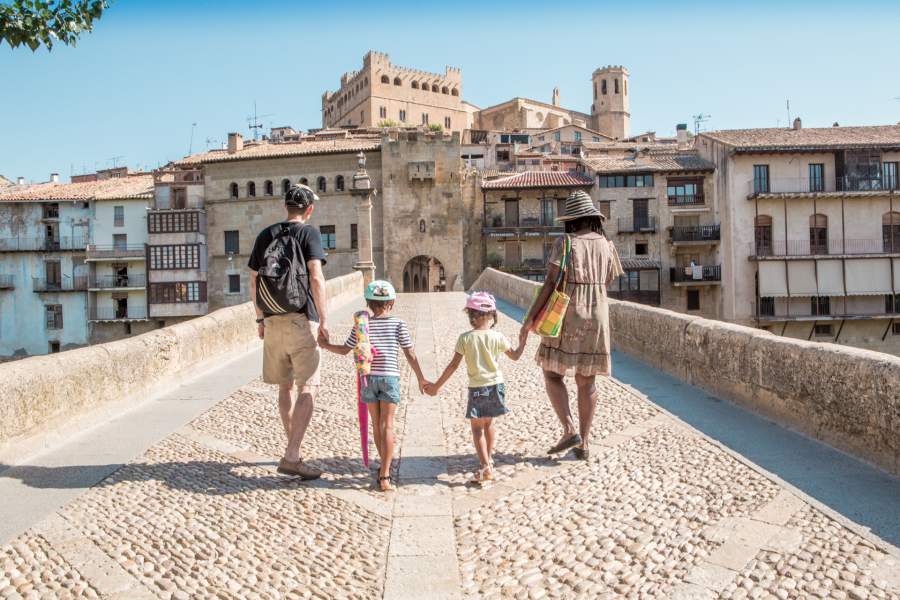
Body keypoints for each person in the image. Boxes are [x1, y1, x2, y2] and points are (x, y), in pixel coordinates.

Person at [520, 189, 624, 461]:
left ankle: (568, 430)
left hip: (570, 313)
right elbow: (610, 278)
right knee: (586, 381)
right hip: (599, 315)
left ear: (571, 220)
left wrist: (531, 316)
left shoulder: (566, 243)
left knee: (552, 373)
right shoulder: (607, 244)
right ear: (593, 218)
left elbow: (551, 283)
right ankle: (585, 442)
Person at [248, 184, 329, 480]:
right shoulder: (309, 233)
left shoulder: (265, 235)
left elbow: (254, 280)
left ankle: (292, 446)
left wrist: (259, 319)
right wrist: (323, 320)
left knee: (285, 387)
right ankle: (292, 455)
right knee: (308, 386)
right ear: (309, 210)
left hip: (271, 320)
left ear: (285, 207)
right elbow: (316, 278)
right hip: (299, 318)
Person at [319, 280, 426, 491]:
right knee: (388, 425)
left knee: (377, 425)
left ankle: (382, 466)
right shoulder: (398, 324)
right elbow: (410, 353)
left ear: (368, 303)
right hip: (389, 378)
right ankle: (385, 475)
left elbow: (343, 350)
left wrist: (324, 345)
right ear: (392, 302)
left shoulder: (361, 326)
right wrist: (421, 378)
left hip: (367, 379)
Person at [425, 292, 526, 485]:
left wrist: (436, 387)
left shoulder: (465, 338)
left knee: (477, 429)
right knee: (489, 425)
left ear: (472, 317)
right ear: (493, 316)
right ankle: (489, 459)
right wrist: (524, 340)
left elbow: (453, 366)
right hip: (496, 385)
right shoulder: (498, 336)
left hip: (478, 388)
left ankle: (485, 466)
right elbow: (515, 356)